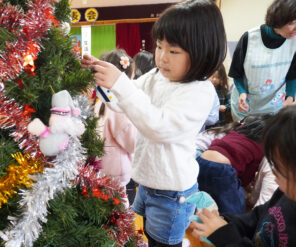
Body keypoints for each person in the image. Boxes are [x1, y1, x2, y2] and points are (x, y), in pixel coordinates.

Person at [81, 0, 227, 246]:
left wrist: (121, 85)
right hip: (148, 182)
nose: (162, 57)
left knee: (164, 242)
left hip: (172, 192)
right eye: (159, 47)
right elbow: (121, 103)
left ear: (202, 51)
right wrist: (103, 81)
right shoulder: (157, 76)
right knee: (148, 236)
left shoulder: (199, 91)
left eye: (173, 51)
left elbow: (159, 127)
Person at [191, 105, 296, 247]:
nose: (274, 173)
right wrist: (223, 221)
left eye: (280, 169)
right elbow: (256, 217)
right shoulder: (285, 193)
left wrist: (224, 234)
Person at [229, 0, 296, 121]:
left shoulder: (294, 42)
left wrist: (290, 98)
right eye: (292, 23)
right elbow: (236, 73)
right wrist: (242, 93)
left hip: (275, 108)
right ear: (279, 19)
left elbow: (292, 75)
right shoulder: (249, 38)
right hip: (245, 106)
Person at [196, 113, 271, 214]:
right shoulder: (260, 148)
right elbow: (246, 176)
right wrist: (245, 185)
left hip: (201, 161)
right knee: (235, 208)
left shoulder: (234, 133)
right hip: (221, 169)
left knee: (206, 193)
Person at [94, 49, 137, 207]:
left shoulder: (101, 98)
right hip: (116, 170)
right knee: (119, 209)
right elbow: (131, 142)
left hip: (101, 165)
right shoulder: (119, 105)